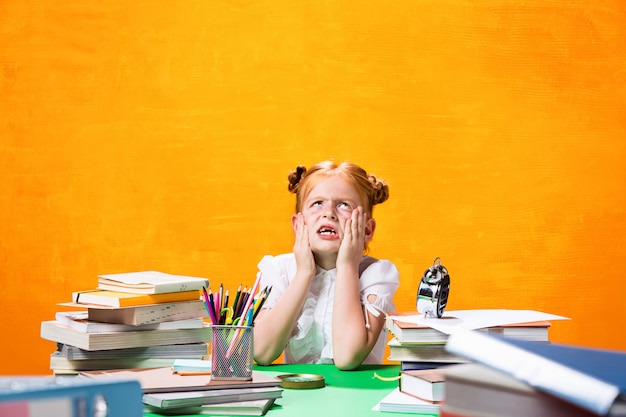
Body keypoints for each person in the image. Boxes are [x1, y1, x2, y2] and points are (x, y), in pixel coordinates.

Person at [252, 160, 400, 370]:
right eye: (317, 203)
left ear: (367, 229)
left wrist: (348, 265)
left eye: (343, 205)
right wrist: (304, 273)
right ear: (298, 224)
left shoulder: (377, 275)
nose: (328, 212)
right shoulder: (279, 270)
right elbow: (261, 352)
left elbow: (347, 357)